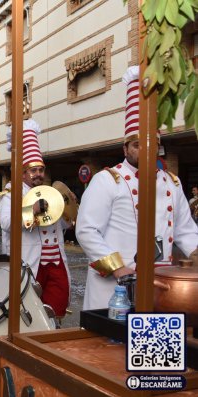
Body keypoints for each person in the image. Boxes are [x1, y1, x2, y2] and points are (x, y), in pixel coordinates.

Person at [76, 66, 198, 310]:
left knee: (152, 346)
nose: (145, 150)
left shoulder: (172, 183)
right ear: (125, 149)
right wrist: (118, 268)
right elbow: (87, 231)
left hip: (161, 285)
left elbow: (186, 231)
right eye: (136, 144)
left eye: (152, 143)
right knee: (111, 346)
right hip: (116, 286)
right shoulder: (107, 180)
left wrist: (195, 253)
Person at [0, 119, 72, 318]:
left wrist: (69, 209)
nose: (38, 174)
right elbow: (5, 223)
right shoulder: (11, 194)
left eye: (41, 170)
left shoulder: (51, 193)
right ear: (23, 174)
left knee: (56, 311)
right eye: (33, 170)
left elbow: (65, 224)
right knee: (29, 313)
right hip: (30, 263)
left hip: (56, 262)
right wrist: (31, 210)